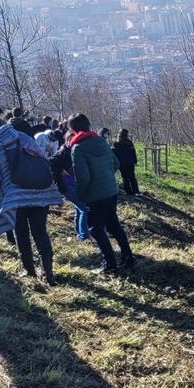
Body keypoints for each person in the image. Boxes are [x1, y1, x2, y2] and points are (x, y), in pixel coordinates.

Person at [0, 113, 62, 285]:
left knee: (21, 233)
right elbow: (42, 157)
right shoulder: (20, 135)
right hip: (41, 189)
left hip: (16, 195)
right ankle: (49, 274)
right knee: (40, 232)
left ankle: (30, 272)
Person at [70, 113, 135, 274]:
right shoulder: (102, 142)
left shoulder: (78, 148)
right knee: (114, 225)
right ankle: (128, 256)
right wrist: (106, 177)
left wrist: (80, 195)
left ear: (72, 130)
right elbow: (116, 163)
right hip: (111, 191)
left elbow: (83, 177)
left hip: (94, 195)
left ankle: (110, 264)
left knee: (96, 229)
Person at [51, 133, 89, 241]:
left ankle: (80, 233)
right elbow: (50, 162)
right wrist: (60, 171)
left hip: (74, 183)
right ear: (68, 140)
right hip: (66, 185)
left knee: (79, 208)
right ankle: (84, 236)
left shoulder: (75, 150)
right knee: (84, 208)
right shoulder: (63, 151)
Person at [112, 129, 140, 196]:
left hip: (125, 163)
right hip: (127, 163)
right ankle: (135, 191)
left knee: (126, 177)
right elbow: (133, 152)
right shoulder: (117, 144)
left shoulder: (118, 143)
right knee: (130, 177)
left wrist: (135, 160)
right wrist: (135, 160)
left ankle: (130, 192)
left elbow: (133, 152)